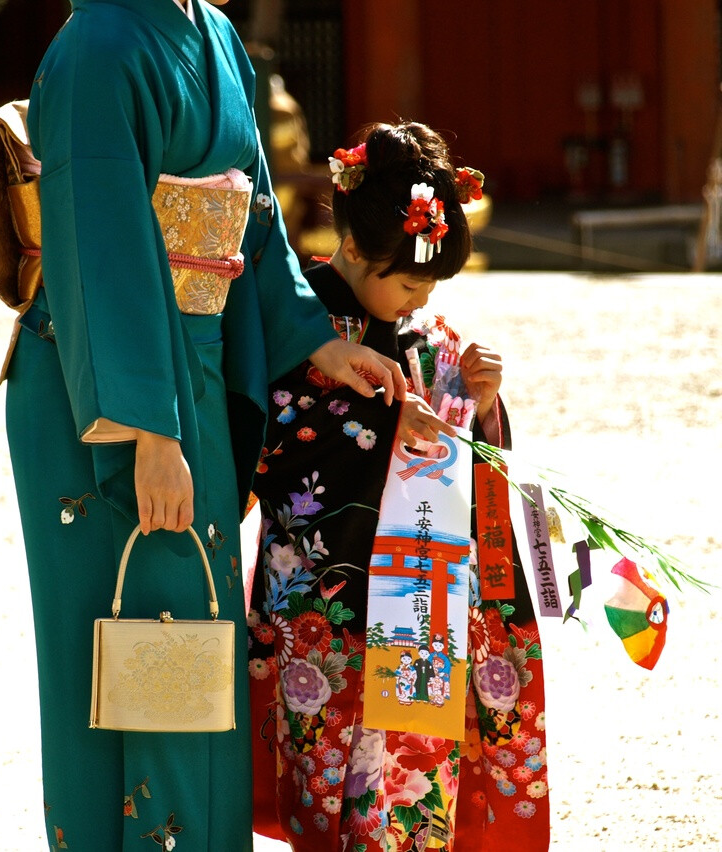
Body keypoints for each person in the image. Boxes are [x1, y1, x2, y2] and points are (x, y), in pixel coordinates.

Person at [0, 2, 406, 850]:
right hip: (101, 393)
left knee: (191, 647)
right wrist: (151, 432)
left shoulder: (210, 31)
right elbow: (98, 243)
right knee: (117, 651)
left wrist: (320, 345)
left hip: (194, 368)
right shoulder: (98, 46)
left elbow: (252, 218)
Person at [248, 122, 550, 850]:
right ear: (352, 249)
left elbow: (470, 453)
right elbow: (272, 438)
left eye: (430, 285)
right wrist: (381, 424)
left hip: (424, 605)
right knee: (329, 794)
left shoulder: (427, 333)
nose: (419, 297)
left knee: (415, 790)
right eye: (409, 280)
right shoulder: (300, 320)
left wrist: (481, 401)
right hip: (335, 603)